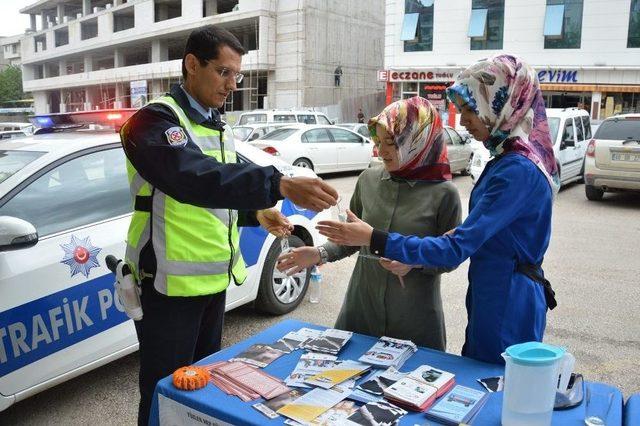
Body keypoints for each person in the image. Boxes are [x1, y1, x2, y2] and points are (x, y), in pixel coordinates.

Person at [120, 26, 338, 425]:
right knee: (162, 390)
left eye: (237, 75)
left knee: (202, 388)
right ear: (191, 64)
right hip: (167, 286)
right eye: (223, 72)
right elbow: (192, 178)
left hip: (211, 282)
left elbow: (219, 188)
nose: (232, 85)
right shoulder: (153, 121)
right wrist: (277, 184)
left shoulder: (217, 123)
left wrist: (255, 212)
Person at [316, 54, 560, 365]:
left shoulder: (517, 171)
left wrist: (375, 238)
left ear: (504, 103)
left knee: (495, 379)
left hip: (507, 296)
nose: (464, 119)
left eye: (472, 109)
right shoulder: (505, 161)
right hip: (492, 288)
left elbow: (455, 248)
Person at [277, 97, 462, 349]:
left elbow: (451, 256)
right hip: (361, 310)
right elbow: (349, 240)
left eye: (392, 143)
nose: (381, 151)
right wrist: (318, 253)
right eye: (378, 142)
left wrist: (415, 263)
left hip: (415, 317)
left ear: (418, 141)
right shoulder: (368, 180)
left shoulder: (445, 193)